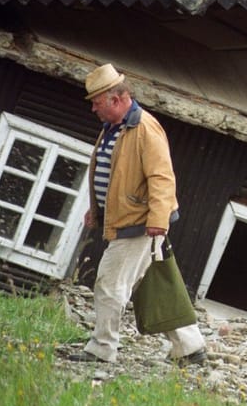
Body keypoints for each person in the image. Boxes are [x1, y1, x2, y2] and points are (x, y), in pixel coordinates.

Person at [65, 63, 207, 366]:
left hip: (139, 224)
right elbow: (115, 173)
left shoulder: (144, 128)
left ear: (115, 99)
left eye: (96, 102)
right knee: (149, 282)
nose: (93, 109)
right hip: (130, 219)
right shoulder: (115, 127)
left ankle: (102, 349)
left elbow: (162, 177)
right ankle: (190, 347)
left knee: (109, 283)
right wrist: (99, 207)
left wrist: (157, 219)